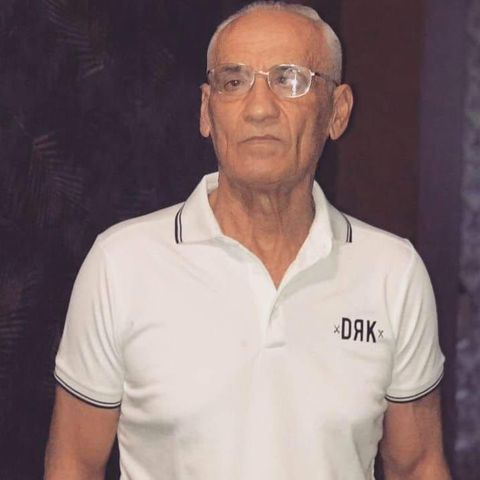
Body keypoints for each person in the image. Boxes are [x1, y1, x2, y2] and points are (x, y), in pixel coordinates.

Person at [44, 2, 451, 479]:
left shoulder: (392, 273)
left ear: (337, 112)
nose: (259, 109)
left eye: (289, 79)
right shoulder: (121, 265)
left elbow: (418, 464)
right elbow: (74, 462)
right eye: (234, 81)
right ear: (206, 111)